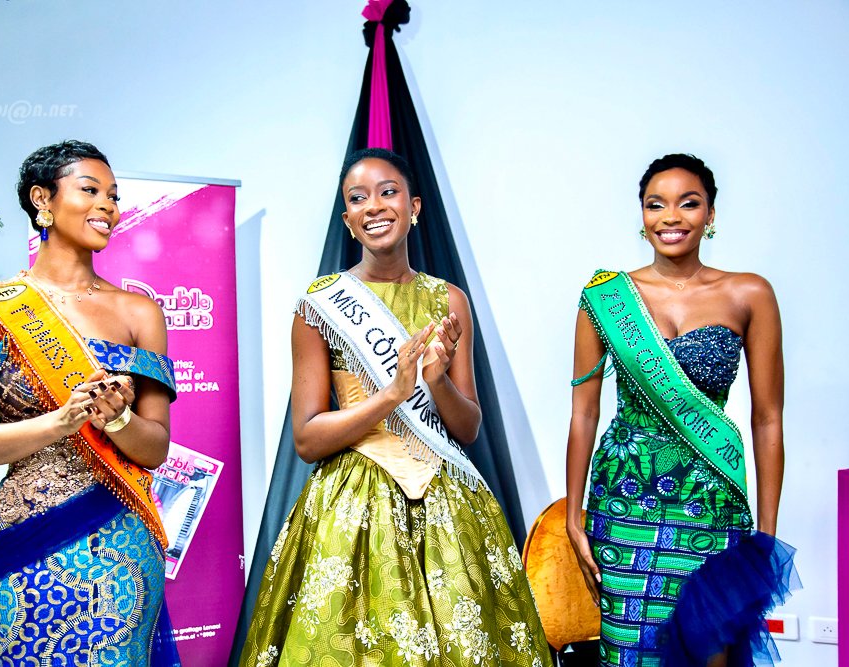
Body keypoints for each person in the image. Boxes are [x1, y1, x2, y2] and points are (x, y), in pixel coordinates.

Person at [239, 148, 553, 667]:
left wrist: (436, 381)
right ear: (348, 220)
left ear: (414, 207)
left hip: (446, 500)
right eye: (358, 198)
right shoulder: (320, 304)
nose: (374, 206)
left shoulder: (449, 300)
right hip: (352, 503)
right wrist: (391, 395)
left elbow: (468, 428)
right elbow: (308, 438)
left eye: (388, 192)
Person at [0, 140, 180, 665]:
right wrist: (60, 422)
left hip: (120, 541)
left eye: (113, 195)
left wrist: (117, 419)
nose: (107, 205)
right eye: (90, 190)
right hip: (24, 546)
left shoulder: (140, 313)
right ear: (42, 199)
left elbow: (156, 448)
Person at [565, 154, 798, 667]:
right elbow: (583, 413)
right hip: (623, 501)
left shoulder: (750, 293)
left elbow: (768, 418)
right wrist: (572, 517)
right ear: (642, 215)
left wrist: (767, 533)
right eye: (656, 205)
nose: (671, 217)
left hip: (710, 500)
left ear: (710, 215)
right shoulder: (605, 297)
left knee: (707, 650)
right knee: (629, 650)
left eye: (688, 204)